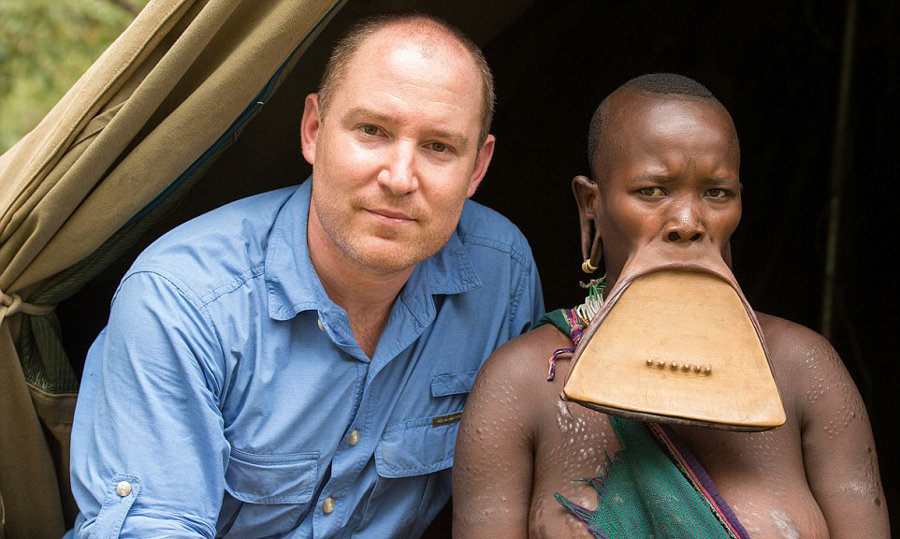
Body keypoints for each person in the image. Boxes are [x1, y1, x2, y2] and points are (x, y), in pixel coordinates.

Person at [68, 12, 543, 538]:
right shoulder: (182, 299)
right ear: (313, 131)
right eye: (372, 131)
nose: (400, 178)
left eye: (438, 147)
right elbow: (153, 528)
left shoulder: (502, 274)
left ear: (477, 167)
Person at [452, 73, 889, 538]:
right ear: (590, 206)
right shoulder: (522, 382)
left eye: (717, 193)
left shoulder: (804, 369)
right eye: (652, 191)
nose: (688, 222)